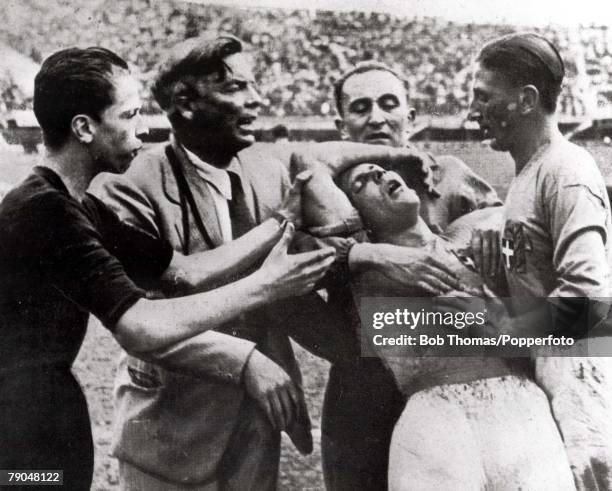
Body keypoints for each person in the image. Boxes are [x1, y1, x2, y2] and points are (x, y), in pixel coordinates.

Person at [0, 46, 334, 491]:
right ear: (84, 127)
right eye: (129, 116)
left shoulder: (77, 204)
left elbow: (183, 272)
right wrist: (265, 285)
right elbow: (139, 327)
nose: (142, 129)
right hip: (21, 422)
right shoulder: (46, 210)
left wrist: (280, 221)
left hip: (47, 406)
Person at [89, 34, 358, 490]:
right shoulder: (125, 187)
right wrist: (245, 362)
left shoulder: (268, 170)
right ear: (185, 102)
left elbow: (321, 245)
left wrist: (410, 155)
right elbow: (139, 322)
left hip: (258, 423)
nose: (257, 99)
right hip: (173, 431)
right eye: (236, 88)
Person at [334, 162, 576, 490]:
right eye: (361, 183)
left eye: (380, 169)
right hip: (437, 426)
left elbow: (571, 315)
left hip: (521, 411)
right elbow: (305, 168)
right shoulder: (361, 271)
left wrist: (511, 226)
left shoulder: (478, 229)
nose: (379, 175)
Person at [319, 60, 503, 490]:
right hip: (366, 382)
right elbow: (298, 265)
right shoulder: (327, 194)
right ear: (341, 124)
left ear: (412, 117)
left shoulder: (453, 177)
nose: (377, 117)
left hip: (461, 371)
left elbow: (507, 256)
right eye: (361, 107)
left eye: (388, 104)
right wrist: (364, 255)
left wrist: (496, 232)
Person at [468, 32, 612, 490]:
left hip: (580, 371)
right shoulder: (530, 173)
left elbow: (588, 299)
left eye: (483, 98)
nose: (472, 113)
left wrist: (507, 332)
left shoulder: (566, 171)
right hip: (551, 366)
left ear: (527, 100)